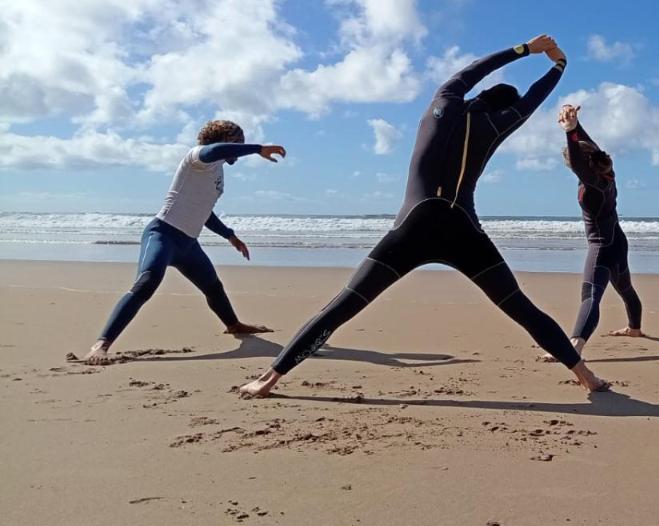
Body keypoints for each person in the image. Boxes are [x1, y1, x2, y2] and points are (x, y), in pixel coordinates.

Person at [238, 35, 609, 398]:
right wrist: (559, 65)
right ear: (501, 110)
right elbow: (531, 100)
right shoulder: (497, 125)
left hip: (411, 228)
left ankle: (268, 378)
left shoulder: (443, 101)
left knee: (345, 303)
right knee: (521, 307)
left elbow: (473, 70)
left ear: (478, 95)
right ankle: (585, 375)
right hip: (462, 230)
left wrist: (526, 49)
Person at [81, 121, 285, 364]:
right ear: (222, 141)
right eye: (236, 142)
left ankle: (234, 325)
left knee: (213, 287)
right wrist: (257, 148)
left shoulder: (217, 172)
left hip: (189, 245)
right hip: (163, 234)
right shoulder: (198, 157)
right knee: (148, 281)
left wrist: (229, 235)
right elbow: (214, 151)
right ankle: (101, 344)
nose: (240, 148)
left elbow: (204, 211)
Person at [542, 103, 644, 361]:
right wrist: (576, 125)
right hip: (618, 243)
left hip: (602, 248)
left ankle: (574, 346)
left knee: (591, 296)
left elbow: (578, 160)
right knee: (626, 289)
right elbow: (591, 151)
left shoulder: (593, 183)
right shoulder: (607, 173)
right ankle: (634, 329)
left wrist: (570, 132)